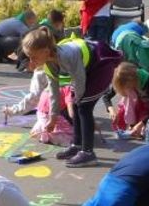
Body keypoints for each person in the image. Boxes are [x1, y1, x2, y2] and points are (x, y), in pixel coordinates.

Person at [20, 26, 124, 168]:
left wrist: (78, 98)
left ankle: (88, 153)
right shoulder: (49, 64)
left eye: (33, 57)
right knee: (76, 106)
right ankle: (77, 144)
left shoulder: (67, 56)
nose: (31, 61)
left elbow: (79, 79)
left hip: (100, 67)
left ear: (45, 51)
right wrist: (53, 117)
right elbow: (54, 93)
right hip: (86, 69)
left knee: (83, 107)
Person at [1, 64, 74, 146]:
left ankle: (40, 129)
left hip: (42, 112)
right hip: (50, 114)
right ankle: (51, 134)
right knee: (72, 135)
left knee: (46, 119)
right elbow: (72, 114)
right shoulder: (67, 88)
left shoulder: (49, 82)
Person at [104, 61, 149, 140]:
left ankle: (138, 123)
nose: (125, 89)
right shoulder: (121, 79)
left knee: (146, 132)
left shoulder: (147, 80)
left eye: (127, 87)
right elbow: (106, 97)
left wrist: (141, 124)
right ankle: (132, 122)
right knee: (129, 97)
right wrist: (111, 110)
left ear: (132, 82)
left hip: (147, 108)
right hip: (134, 106)